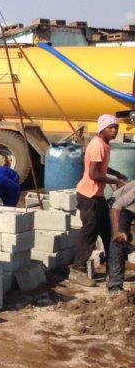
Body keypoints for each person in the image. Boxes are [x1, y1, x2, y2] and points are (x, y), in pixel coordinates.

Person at [71, 114, 128, 286]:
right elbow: (93, 174)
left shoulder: (104, 144)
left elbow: (101, 166)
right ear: (102, 129)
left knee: (108, 231)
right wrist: (116, 181)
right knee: (89, 232)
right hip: (89, 196)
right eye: (110, 128)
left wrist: (116, 173)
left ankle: (113, 270)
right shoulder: (97, 145)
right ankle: (77, 271)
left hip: (97, 196)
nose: (114, 131)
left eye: (116, 128)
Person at [107, 179, 135, 294]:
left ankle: (128, 246)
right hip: (120, 207)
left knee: (127, 240)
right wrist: (116, 232)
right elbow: (117, 205)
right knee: (119, 241)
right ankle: (115, 286)